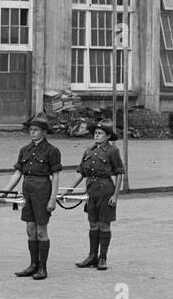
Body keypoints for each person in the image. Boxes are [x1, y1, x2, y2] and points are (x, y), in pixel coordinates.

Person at [6, 113, 63, 280]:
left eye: (36, 130)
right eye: (30, 130)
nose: (32, 133)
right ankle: (33, 265)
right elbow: (18, 172)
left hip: (43, 191)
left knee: (41, 230)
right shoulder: (25, 150)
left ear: (44, 132)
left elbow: (56, 176)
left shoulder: (52, 151)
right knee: (30, 229)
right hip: (28, 191)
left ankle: (43, 268)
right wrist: (6, 191)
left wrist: (53, 198)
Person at [70, 119, 124, 271]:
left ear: (107, 136)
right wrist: (70, 189)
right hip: (91, 190)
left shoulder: (113, 151)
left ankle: (103, 258)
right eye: (95, 133)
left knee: (104, 224)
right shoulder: (89, 151)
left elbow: (120, 173)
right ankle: (92, 256)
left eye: (100, 133)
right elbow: (82, 172)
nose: (97, 136)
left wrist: (115, 196)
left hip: (106, 190)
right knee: (93, 224)